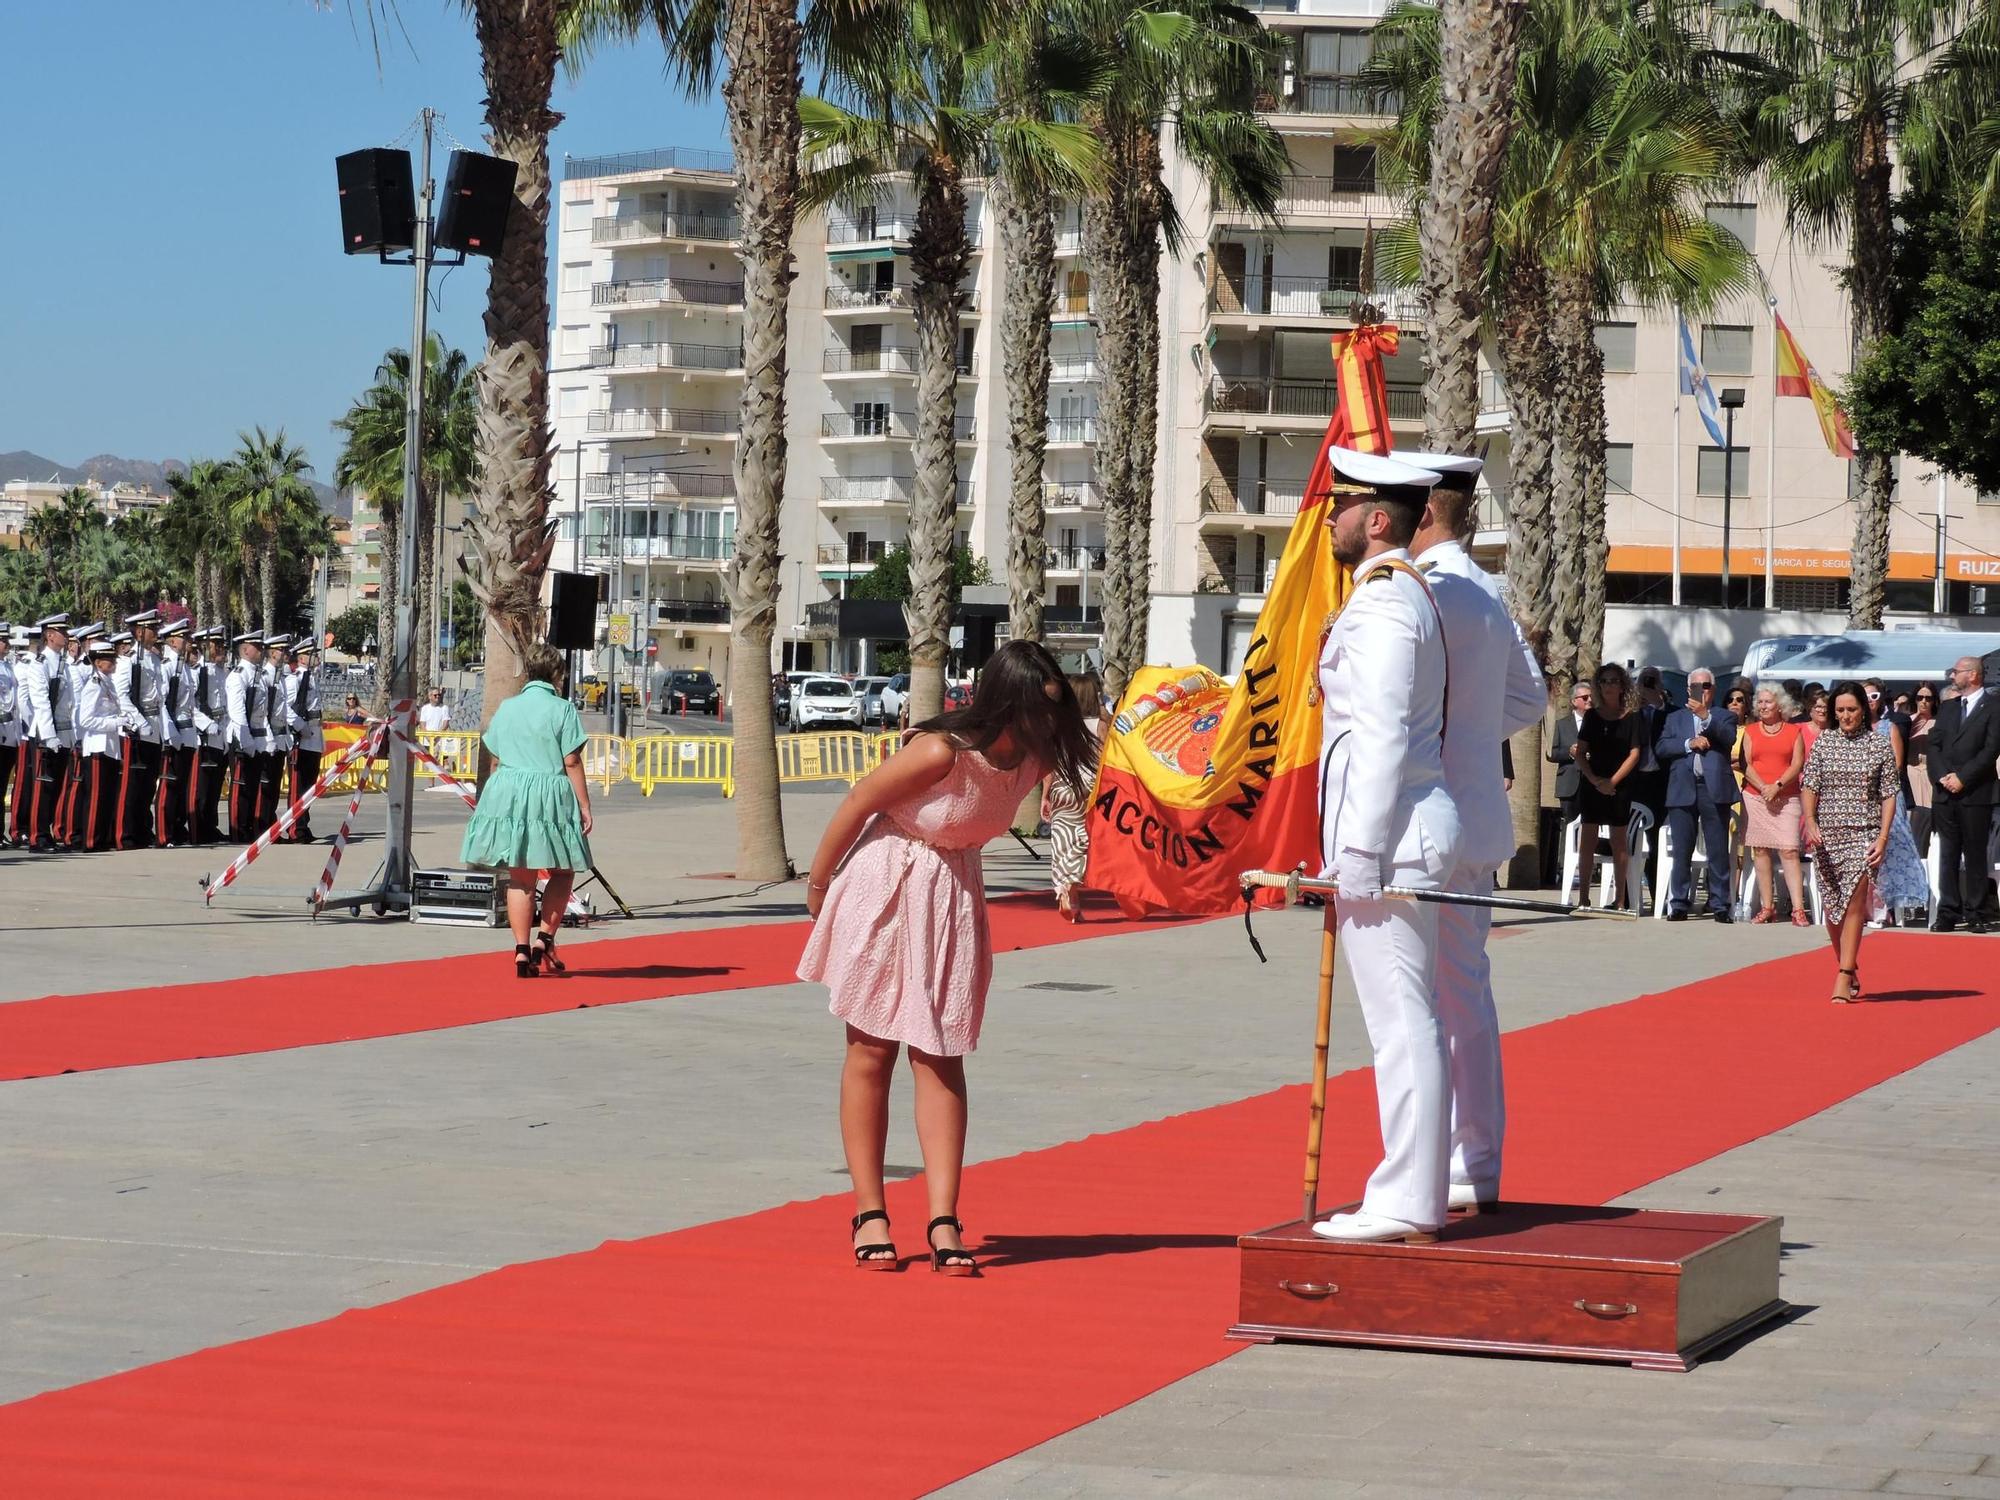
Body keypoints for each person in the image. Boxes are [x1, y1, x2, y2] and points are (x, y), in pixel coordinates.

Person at [799, 639, 1090, 1274]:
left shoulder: (1035, 757)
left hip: (953, 893)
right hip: (887, 883)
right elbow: (859, 803)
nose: (1049, 719)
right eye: (1038, 707)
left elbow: (1088, 799)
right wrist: (819, 887)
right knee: (871, 1051)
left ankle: (943, 1218)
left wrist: (1075, 873)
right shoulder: (938, 752)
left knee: (941, 1053)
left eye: (1054, 706)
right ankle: (870, 1212)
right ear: (1004, 702)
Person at [1308, 447, 1459, 1244]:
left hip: (1391, 841)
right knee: (1407, 1020)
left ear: (1375, 521)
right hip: (1398, 835)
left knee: (1403, 1024)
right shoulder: (1391, 596)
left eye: (1340, 507)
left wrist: (1356, 854)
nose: (1327, 519)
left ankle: (1406, 1197)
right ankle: (1411, 1190)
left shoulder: (1385, 606)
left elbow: (1382, 738)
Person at [1403, 449, 1544, 1213]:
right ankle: (1473, 1162)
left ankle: (1441, 1165)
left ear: (1423, 511)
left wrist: (1449, 734)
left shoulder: (1431, 591)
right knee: (1464, 995)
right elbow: (1529, 698)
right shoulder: (1485, 588)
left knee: (1423, 1000)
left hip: (1432, 824)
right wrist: (1470, 732)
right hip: (1473, 816)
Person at [461, 644, 594, 979]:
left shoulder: (507, 708)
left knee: (521, 876)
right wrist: (584, 805)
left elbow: (494, 758)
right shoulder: (562, 709)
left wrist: (497, 802)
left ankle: (521, 951)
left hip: (507, 790)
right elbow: (571, 760)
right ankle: (544, 939)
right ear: (556, 674)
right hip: (548, 792)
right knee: (562, 871)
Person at [1802, 683, 1899, 1001]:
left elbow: (1888, 795)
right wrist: (1811, 821)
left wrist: (1882, 838)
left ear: (1864, 709)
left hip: (1864, 833)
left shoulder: (1878, 744)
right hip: (1827, 835)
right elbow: (1809, 785)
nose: (1846, 716)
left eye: (1852, 709)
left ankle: (1843, 977)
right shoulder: (1823, 743)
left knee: (1855, 904)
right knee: (1833, 910)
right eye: (1840, 710)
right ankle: (1849, 964)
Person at [1657, 669, 1739, 921]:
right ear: (1687, 688)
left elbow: (1728, 738)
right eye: (1695, 685)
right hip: (1683, 786)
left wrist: (1706, 717)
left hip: (1713, 787)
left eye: (1705, 685)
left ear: (1713, 689)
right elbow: (1661, 747)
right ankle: (1679, 903)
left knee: (1717, 850)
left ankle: (1720, 904)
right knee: (1682, 849)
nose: (1700, 690)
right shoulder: (1675, 718)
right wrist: (1687, 744)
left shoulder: (1724, 716)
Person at [1927, 655, 2000, 933]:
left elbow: (1991, 749)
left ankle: (1977, 911)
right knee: (1948, 853)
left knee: (1975, 853)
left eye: (1955, 672)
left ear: (1972, 675)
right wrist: (1943, 776)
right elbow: (1934, 745)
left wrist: (1963, 778)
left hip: (1975, 792)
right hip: (1945, 793)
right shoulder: (1948, 707)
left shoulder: (1993, 707)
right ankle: (1948, 911)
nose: (1951, 676)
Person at [1737, 685, 1808, 926]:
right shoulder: (1751, 731)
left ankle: (1798, 909)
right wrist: (1764, 787)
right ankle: (1768, 906)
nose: (1763, 706)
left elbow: (1797, 763)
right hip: (1755, 796)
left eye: (1768, 702)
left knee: (1789, 850)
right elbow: (1745, 763)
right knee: (1760, 850)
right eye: (1760, 702)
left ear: (1780, 705)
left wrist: (1776, 786)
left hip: (1786, 797)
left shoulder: (1793, 731)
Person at [1573, 662, 1641, 909]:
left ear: (1622, 685)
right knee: (1588, 840)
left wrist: (1612, 782)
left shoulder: (1633, 716)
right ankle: (1583, 898)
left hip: (1619, 785)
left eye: (1614, 680)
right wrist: (1595, 780)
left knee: (1619, 841)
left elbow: (1635, 753)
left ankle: (1620, 900)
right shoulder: (1591, 716)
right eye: (1604, 681)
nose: (1609, 685)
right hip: (1593, 783)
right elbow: (1580, 752)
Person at [1039, 670, 1102, 921]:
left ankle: (1067, 894)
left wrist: (1045, 795)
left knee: (1062, 843)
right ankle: (1074, 889)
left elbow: (1050, 765)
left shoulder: (1058, 726)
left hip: (1063, 787)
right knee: (1084, 841)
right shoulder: (1100, 725)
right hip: (1090, 788)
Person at [18, 614, 75, 854]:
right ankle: (37, 837)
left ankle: (48, 833)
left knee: (56, 787)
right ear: (50, 635)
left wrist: (70, 736)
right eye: (61, 632)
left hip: (62, 734)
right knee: (43, 788)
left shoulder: (63, 664)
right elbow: (40, 702)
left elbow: (70, 703)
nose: (66, 636)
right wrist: (48, 735)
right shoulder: (39, 665)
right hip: (44, 735)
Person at [111, 609, 167, 850]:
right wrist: (139, 722)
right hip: (136, 729)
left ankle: (144, 831)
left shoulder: (155, 660)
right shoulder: (127, 661)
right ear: (138, 631)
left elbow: (160, 697)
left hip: (153, 727)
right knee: (131, 786)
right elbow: (121, 696)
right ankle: (125, 834)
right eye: (151, 628)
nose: (155, 632)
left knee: (147, 785)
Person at [72, 639, 126, 852]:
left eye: (113, 658)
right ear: (97, 662)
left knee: (107, 795)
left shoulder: (107, 682)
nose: (113, 662)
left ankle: (102, 837)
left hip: (110, 746)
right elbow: (85, 719)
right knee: (95, 796)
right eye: (108, 659)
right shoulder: (93, 685)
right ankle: (91, 840)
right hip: (96, 746)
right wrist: (114, 723)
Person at [225, 632, 272, 842]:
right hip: (242, 738)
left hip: (257, 737)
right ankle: (238, 830)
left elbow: (262, 712)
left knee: (252, 787)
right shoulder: (238, 675)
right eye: (257, 647)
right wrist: (247, 741)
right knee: (240, 788)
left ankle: (248, 828)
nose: (261, 651)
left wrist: (266, 738)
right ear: (245, 650)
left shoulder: (258, 675)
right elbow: (237, 713)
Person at [156, 618, 198, 847]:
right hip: (174, 730)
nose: (188, 641)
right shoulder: (167, 665)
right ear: (172, 641)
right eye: (184, 637)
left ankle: (178, 828)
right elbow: (162, 702)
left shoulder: (184, 666)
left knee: (181, 785)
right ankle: (164, 833)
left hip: (187, 730)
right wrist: (170, 732)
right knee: (169, 785)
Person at [190, 628, 230, 846]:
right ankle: (198, 829)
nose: (221, 650)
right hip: (204, 736)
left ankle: (210, 826)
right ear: (206, 648)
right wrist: (207, 725)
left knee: (214, 787)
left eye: (222, 646)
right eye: (217, 646)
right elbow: (190, 706)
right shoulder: (198, 673)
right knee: (202, 789)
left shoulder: (221, 673)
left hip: (219, 735)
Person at [285, 640, 324, 843]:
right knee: (299, 787)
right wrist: (301, 727)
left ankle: (303, 825)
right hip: (301, 739)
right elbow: (285, 709)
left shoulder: (312, 679)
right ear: (301, 658)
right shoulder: (295, 680)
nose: (316, 657)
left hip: (314, 737)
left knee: (309, 787)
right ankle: (295, 827)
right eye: (312, 654)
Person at [1546, 681, 1590, 836]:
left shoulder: (1599, 724)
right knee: (1569, 828)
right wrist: (1570, 753)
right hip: (1569, 784)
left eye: (1591, 697)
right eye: (1585, 697)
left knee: (1590, 827)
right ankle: (1565, 859)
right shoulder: (1562, 725)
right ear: (1573, 701)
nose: (1589, 700)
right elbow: (1551, 753)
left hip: (1592, 784)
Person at [1907, 683, 1938, 856]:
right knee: (1912, 819)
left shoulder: (1939, 723)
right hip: (1911, 774)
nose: (1924, 701)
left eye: (1928, 698)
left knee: (1929, 821)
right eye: (1920, 697)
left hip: (1930, 776)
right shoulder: (1907, 721)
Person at [0, 625, 18, 847]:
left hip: (8, 733)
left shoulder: (7, 667)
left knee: (2, 784)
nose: (6, 644)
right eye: (2, 640)